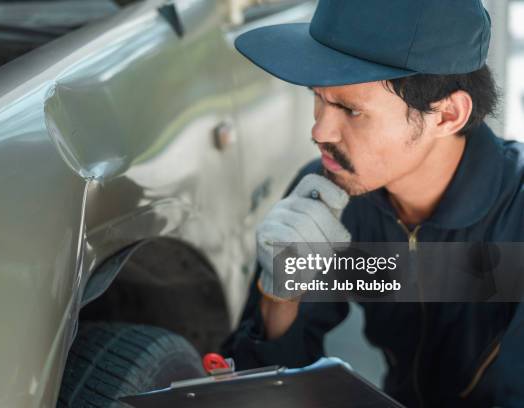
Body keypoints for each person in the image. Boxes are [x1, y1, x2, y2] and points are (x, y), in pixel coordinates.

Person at [221, 1, 524, 407]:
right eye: (319, 97)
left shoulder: (516, 216)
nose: (320, 130)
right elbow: (262, 390)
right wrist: (280, 298)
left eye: (350, 109)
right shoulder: (335, 194)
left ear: (446, 115)